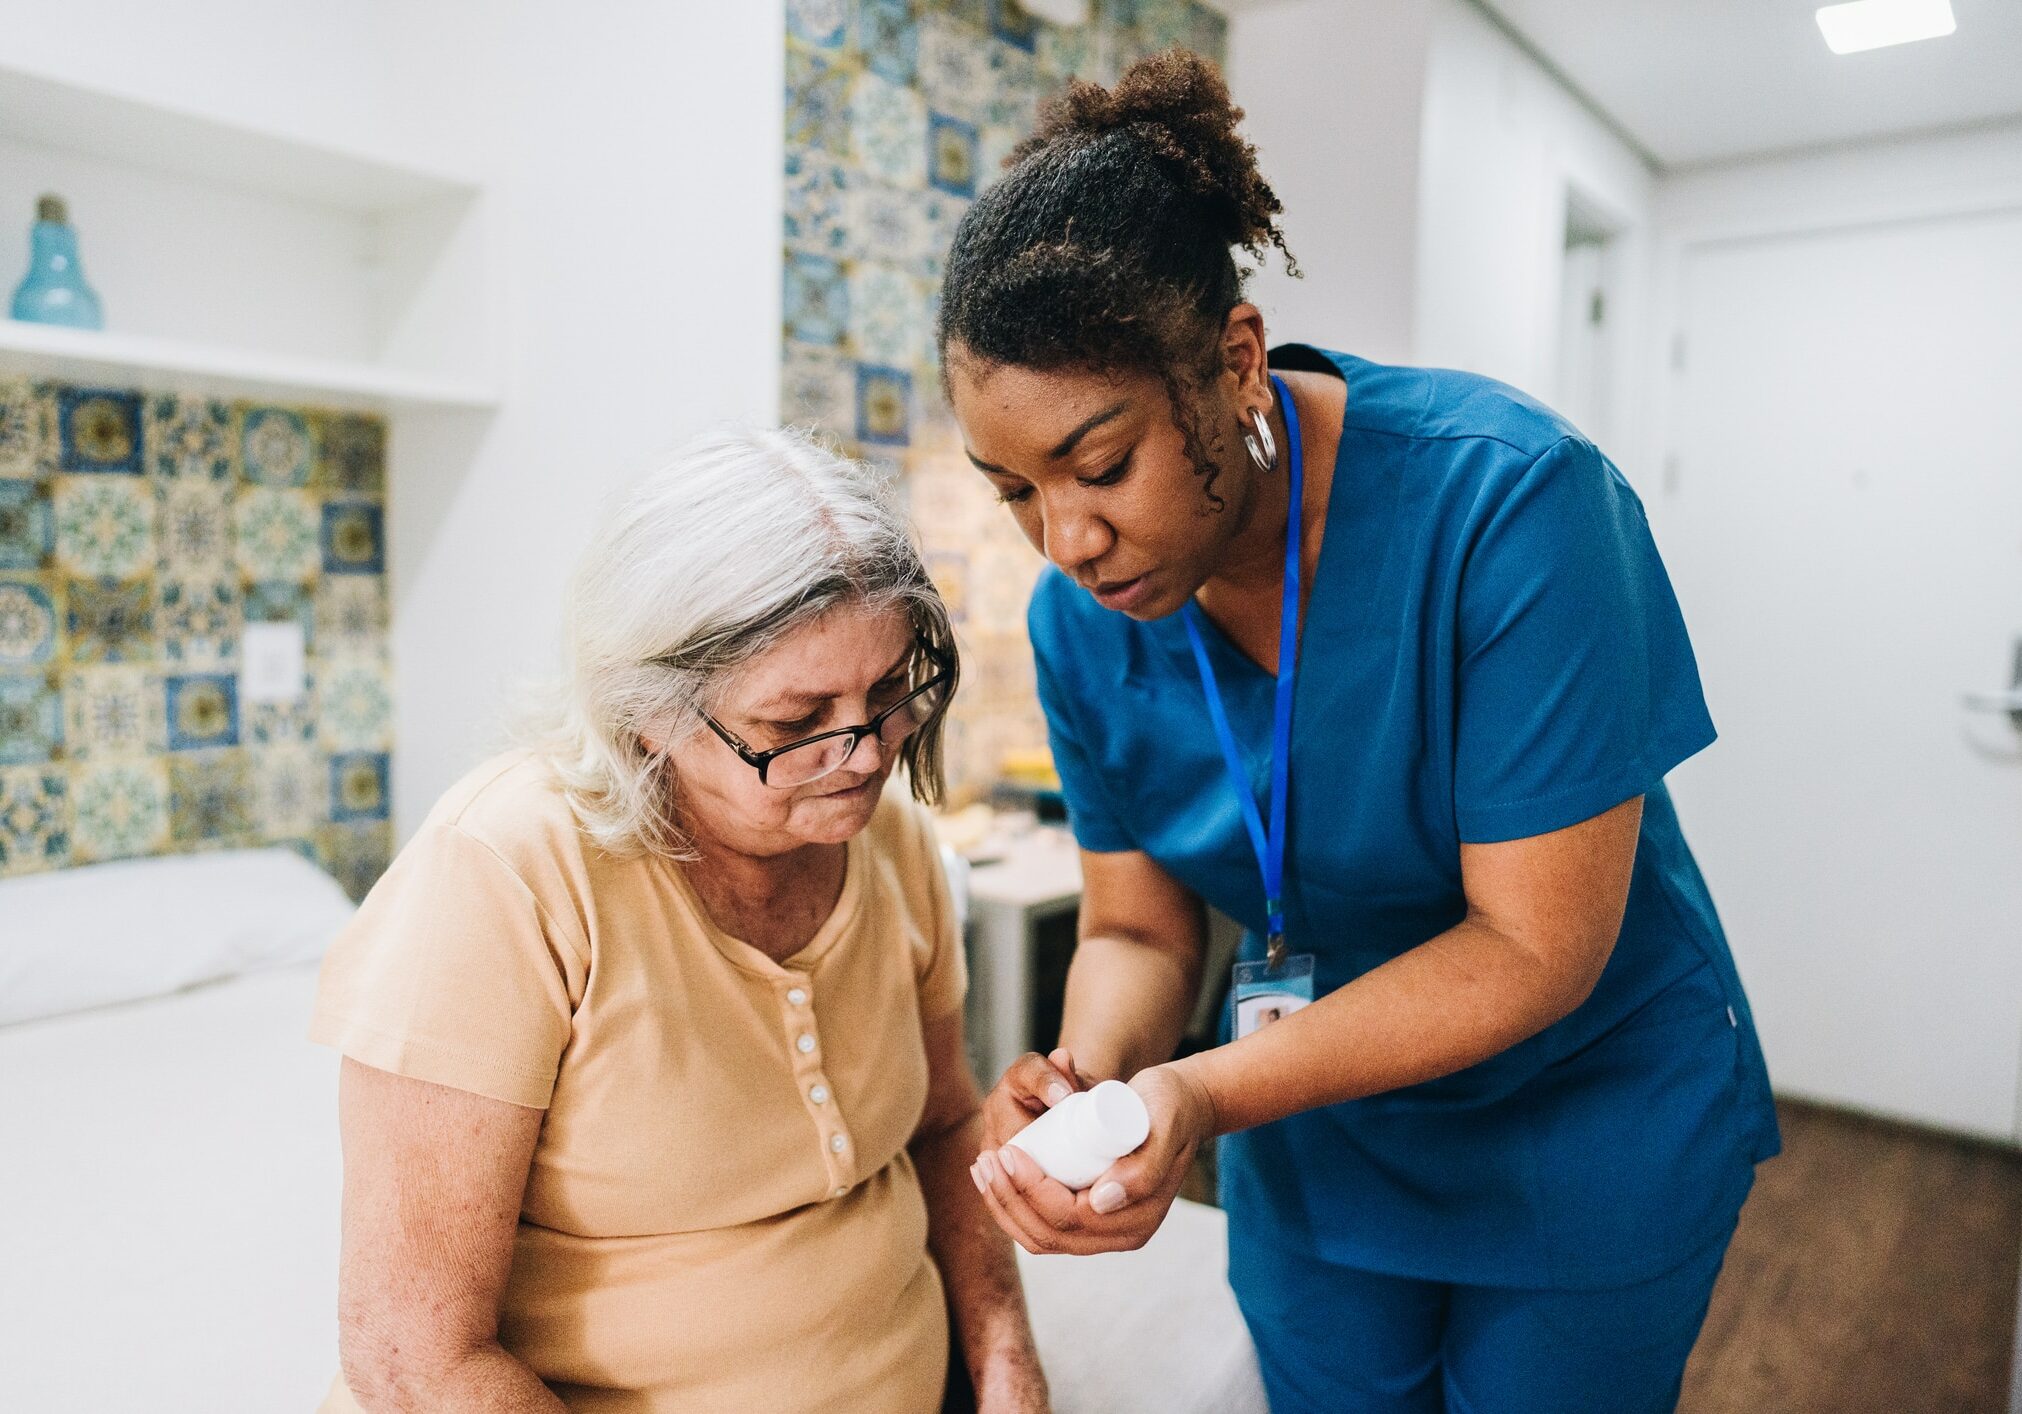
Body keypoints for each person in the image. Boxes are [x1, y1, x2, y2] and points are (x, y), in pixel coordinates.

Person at [939, 52, 1779, 1414]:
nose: (1066, 539)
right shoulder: (1080, 618)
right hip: (1312, 1130)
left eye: (1099, 467)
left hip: (1578, 1123)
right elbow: (1137, 928)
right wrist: (1090, 1079)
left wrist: (1198, 1093)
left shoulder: (1509, 505)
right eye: (1013, 490)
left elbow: (1531, 944)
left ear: (1233, 359)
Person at [310, 428, 1048, 1412]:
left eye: (887, 694)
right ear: (648, 708)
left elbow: (945, 1121)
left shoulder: (891, 838)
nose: (867, 756)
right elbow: (413, 1355)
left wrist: (1007, 1363)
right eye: (797, 724)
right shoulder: (505, 872)